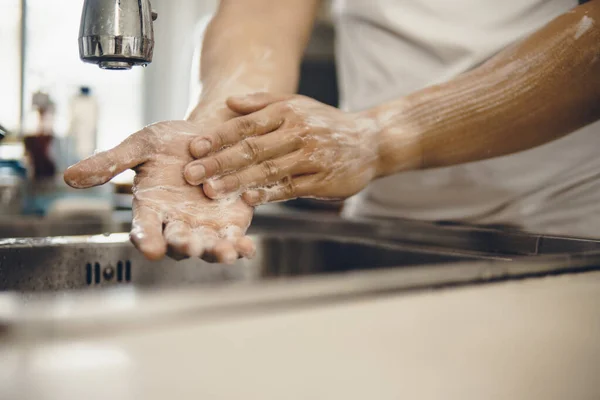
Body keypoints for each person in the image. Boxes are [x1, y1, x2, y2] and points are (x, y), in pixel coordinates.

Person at [65, 0, 600, 262]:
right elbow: (265, 11)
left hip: (562, 233)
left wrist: (384, 136)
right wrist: (220, 131)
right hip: (386, 232)